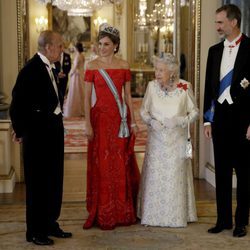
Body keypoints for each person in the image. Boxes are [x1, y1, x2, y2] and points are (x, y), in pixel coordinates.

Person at [9, 30, 72, 245]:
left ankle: (50, 223)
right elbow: (17, 104)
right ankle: (35, 231)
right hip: (37, 137)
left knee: (54, 180)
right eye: (60, 45)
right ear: (49, 47)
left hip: (53, 132)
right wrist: (21, 131)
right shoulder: (30, 69)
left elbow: (51, 98)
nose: (62, 49)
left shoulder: (53, 67)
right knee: (38, 184)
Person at [83, 23, 140, 230]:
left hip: (119, 120)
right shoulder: (91, 66)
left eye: (106, 44)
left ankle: (121, 211)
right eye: (100, 44)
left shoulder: (124, 65)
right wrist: (87, 124)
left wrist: (132, 121)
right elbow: (87, 98)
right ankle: (103, 210)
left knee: (119, 162)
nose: (102, 48)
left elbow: (127, 96)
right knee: (103, 164)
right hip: (99, 120)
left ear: (115, 45)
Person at [203, 4, 250, 237]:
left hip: (244, 121)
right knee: (221, 172)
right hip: (219, 118)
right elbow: (209, 89)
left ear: (234, 22)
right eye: (216, 22)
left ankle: (241, 221)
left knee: (244, 174)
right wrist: (207, 120)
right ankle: (223, 220)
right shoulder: (214, 51)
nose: (217, 27)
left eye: (220, 22)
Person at [137, 53, 199, 227]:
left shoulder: (184, 87)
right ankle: (152, 216)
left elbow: (194, 112)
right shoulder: (151, 87)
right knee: (155, 179)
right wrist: (151, 121)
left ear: (172, 72)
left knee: (174, 179)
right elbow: (143, 111)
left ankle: (176, 216)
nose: (157, 73)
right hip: (156, 142)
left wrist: (181, 121)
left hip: (177, 142)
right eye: (156, 69)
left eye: (161, 70)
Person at [63, 42, 85, 117]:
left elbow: (75, 66)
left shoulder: (78, 56)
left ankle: (76, 110)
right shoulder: (82, 55)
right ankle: (82, 109)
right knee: (81, 92)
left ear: (77, 48)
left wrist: (70, 73)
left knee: (75, 92)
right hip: (81, 74)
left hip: (76, 76)